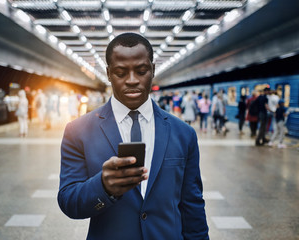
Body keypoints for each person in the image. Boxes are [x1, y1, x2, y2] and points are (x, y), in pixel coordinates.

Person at [58, 33, 209, 239]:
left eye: (141, 71)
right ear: (109, 73)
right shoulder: (78, 131)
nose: (132, 80)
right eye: (121, 72)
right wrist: (103, 186)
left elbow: (193, 207)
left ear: (153, 70)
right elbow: (68, 201)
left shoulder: (184, 134)